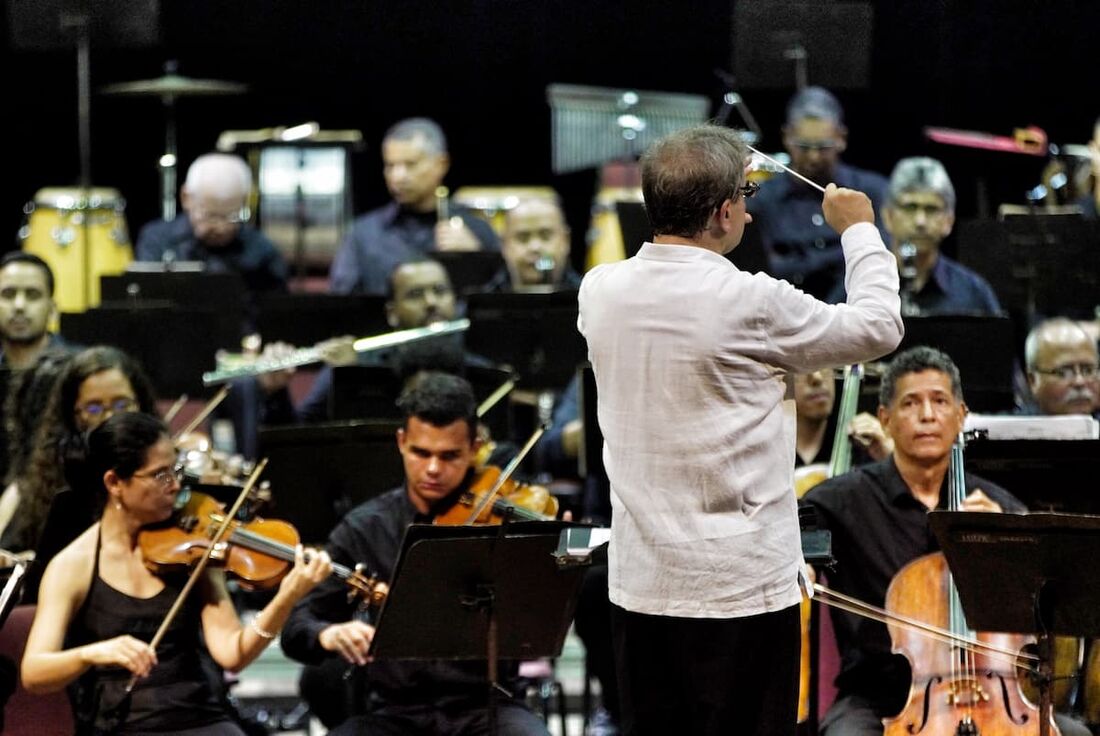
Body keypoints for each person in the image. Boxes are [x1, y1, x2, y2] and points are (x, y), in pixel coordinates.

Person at [577, 123, 903, 735]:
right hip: (740, 593)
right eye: (746, 202)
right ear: (724, 211)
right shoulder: (751, 303)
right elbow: (880, 326)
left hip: (643, 590)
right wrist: (858, 228)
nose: (751, 219)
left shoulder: (598, 292)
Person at [800, 346, 1091, 736]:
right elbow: (799, 543)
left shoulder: (999, 505)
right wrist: (804, 563)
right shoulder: (842, 501)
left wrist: (1007, 540)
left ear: (961, 415)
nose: (927, 415)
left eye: (940, 401)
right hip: (880, 695)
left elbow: (1048, 603)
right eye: (910, 403)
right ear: (885, 418)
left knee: (1074, 734)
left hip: (994, 689)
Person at [20, 411, 332, 735]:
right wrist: (94, 652)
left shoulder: (194, 544)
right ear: (114, 483)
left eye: (176, 470)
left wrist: (287, 596)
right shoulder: (74, 564)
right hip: (123, 725)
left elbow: (232, 653)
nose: (177, 486)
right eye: (160, 475)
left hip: (203, 719)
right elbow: (34, 671)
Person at [280, 372, 551, 735]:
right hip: (394, 712)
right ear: (401, 442)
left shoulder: (503, 519)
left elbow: (541, 617)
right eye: (421, 453)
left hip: (487, 706)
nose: (434, 469)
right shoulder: (366, 527)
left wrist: (547, 552)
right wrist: (327, 634)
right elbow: (297, 626)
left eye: (450, 455)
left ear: (475, 447)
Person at [11, 346, 157, 602]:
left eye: (122, 405)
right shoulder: (59, 486)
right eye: (93, 409)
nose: (110, 418)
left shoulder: (163, 472)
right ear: (74, 416)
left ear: (140, 404)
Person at [329, 118, 500, 296]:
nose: (398, 177)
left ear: (441, 164)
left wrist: (475, 260)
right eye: (390, 166)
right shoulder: (363, 235)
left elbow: (499, 303)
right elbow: (343, 304)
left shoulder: (476, 230)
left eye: (410, 165)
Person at [747, 86, 889, 300]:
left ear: (841, 138)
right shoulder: (763, 200)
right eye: (804, 147)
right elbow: (756, 272)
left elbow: (880, 265)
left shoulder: (872, 192)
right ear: (787, 137)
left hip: (851, 315)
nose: (813, 157)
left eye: (823, 147)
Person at [827, 157, 1002, 315]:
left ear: (949, 220)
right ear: (888, 216)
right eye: (910, 208)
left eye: (931, 209)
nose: (920, 221)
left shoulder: (973, 293)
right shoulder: (857, 285)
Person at [135, 153, 289, 299]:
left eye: (231, 216)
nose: (221, 227)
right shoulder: (157, 240)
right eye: (211, 216)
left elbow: (276, 311)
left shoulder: (260, 249)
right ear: (186, 198)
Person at [483, 197, 581, 292]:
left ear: (566, 241)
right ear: (504, 245)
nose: (535, 247)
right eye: (523, 237)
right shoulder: (480, 305)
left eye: (545, 235)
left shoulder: (589, 300)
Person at [1024, 317, 1099, 416]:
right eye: (1063, 373)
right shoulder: (1007, 430)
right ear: (1033, 380)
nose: (1080, 382)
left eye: (1088, 371)